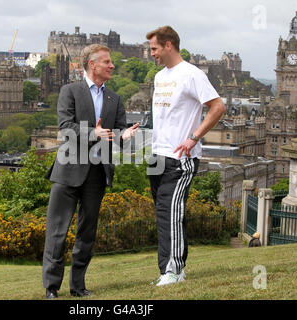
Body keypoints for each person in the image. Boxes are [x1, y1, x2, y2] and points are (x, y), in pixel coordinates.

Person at [42, 44, 139, 299]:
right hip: (67, 171)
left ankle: (78, 286)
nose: (112, 65)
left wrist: (124, 135)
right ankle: (51, 288)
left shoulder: (115, 99)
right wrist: (92, 132)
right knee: (57, 231)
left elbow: (116, 134)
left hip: (97, 174)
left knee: (87, 233)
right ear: (92, 64)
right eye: (107, 62)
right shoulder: (70, 91)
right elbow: (65, 128)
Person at [146, 26, 226, 286]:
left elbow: (218, 106)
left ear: (169, 45)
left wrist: (194, 137)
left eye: (154, 49)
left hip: (180, 157)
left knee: (172, 212)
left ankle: (174, 270)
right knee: (162, 212)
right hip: (157, 154)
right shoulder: (159, 77)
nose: (151, 54)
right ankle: (165, 270)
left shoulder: (192, 74)